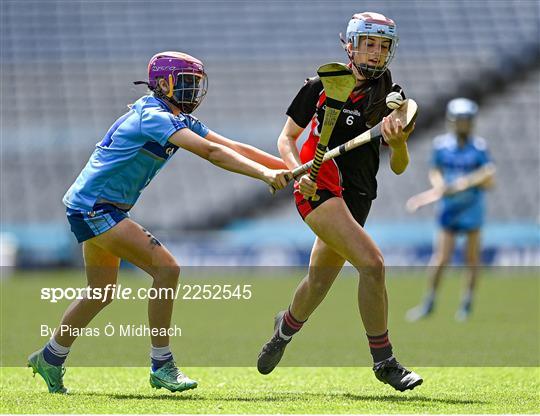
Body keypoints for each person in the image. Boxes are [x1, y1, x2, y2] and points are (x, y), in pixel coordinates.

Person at [27, 51, 290, 394]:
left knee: (101, 292)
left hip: (96, 207)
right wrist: (266, 174)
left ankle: (49, 358)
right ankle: (161, 364)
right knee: (167, 269)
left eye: (196, 84)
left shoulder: (172, 115)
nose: (193, 91)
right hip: (96, 208)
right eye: (186, 83)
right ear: (164, 83)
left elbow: (230, 145)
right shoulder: (154, 116)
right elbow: (212, 154)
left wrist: (287, 169)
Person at [256, 12, 423, 392]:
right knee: (373, 264)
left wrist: (398, 145)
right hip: (318, 187)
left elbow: (398, 167)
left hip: (360, 194)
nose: (377, 53)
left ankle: (282, 331)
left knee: (318, 281)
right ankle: (385, 361)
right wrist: (301, 174)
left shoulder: (391, 96)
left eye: (384, 46)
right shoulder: (320, 84)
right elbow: (286, 138)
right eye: (370, 43)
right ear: (351, 45)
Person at [406, 98, 495, 322]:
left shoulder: (479, 147)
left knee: (471, 258)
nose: (462, 125)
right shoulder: (441, 145)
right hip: (448, 209)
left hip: (472, 208)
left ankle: (466, 304)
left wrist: (468, 182)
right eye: (459, 121)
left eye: (466, 121)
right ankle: (429, 302)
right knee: (441, 258)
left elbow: (489, 177)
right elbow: (435, 170)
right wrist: (439, 185)